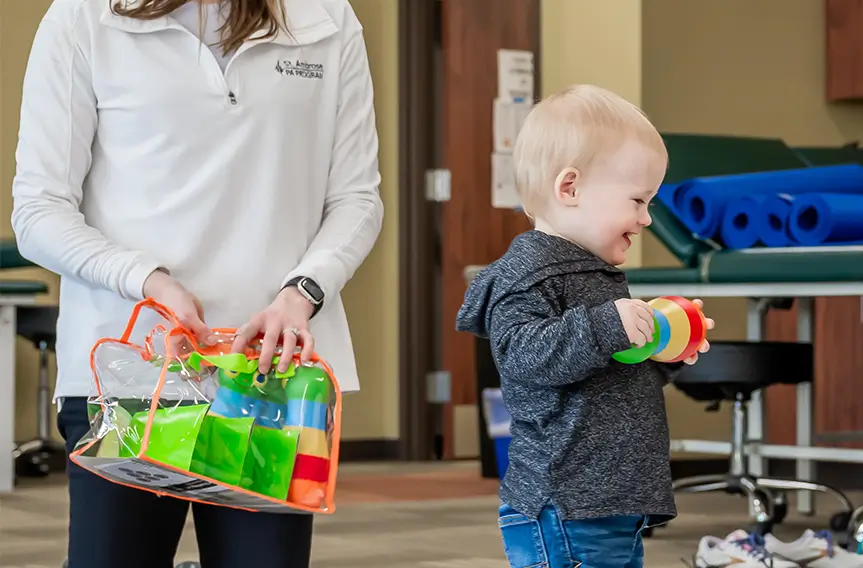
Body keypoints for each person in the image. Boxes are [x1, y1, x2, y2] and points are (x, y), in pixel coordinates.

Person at [11, 0, 383, 566]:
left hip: (270, 380)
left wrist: (303, 291)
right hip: (129, 372)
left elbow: (356, 198)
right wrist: (148, 280)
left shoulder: (325, 17)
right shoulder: (83, 17)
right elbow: (39, 212)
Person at [455, 84, 715, 568]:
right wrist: (607, 326)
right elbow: (522, 355)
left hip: (609, 502)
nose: (645, 220)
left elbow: (607, 372)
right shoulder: (527, 274)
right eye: (638, 201)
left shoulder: (592, 272)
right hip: (565, 504)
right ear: (570, 188)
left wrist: (662, 354)